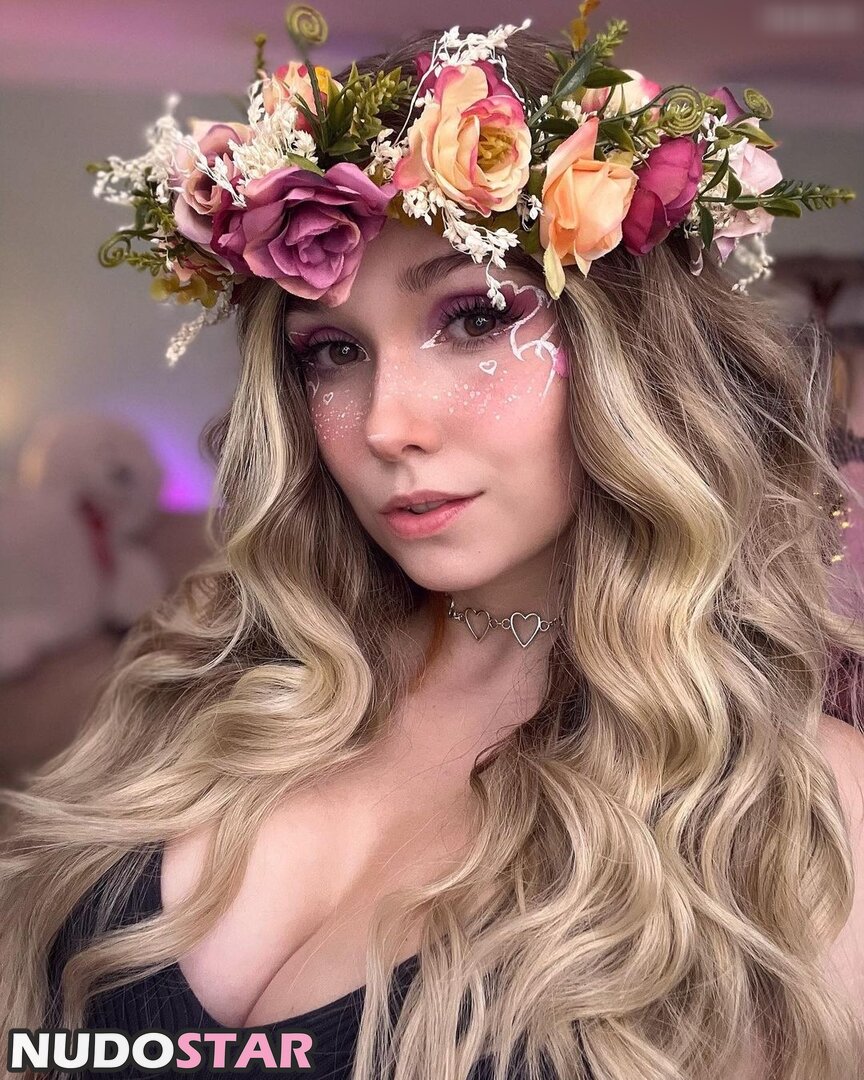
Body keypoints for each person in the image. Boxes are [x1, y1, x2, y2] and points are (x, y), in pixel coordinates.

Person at [2, 9, 863, 1080]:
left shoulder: (799, 812)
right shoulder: (211, 671)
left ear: (633, 356)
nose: (385, 425)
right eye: (332, 351)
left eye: (475, 319)